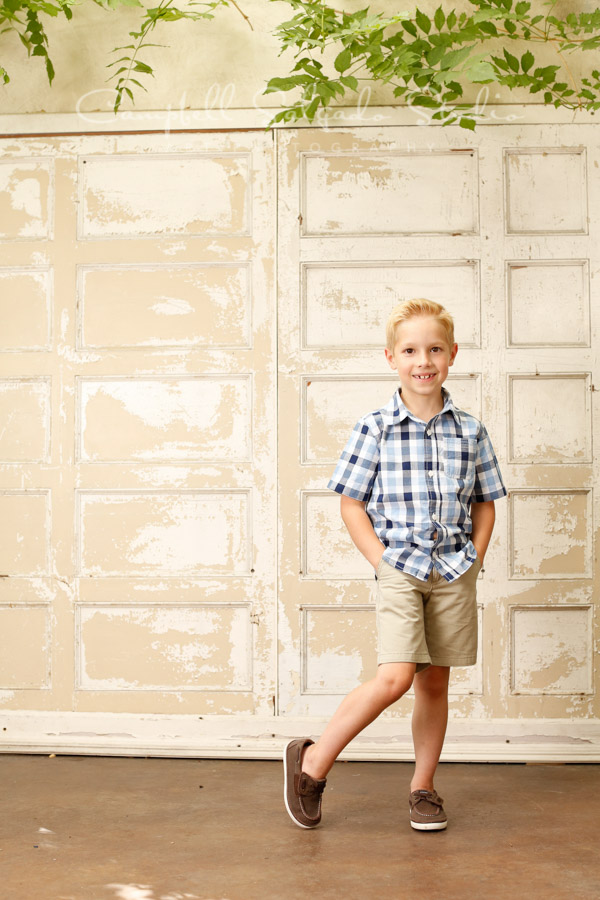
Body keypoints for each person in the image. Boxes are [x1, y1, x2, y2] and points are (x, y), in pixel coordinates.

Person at [283, 297, 507, 831]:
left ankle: (423, 788)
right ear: (391, 357)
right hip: (400, 569)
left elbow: (485, 500)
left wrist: (474, 556)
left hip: (453, 570)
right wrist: (382, 562)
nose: (422, 360)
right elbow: (350, 501)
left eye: (434, 349)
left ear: (452, 355)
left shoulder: (470, 431)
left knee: (435, 683)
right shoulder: (375, 427)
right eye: (410, 350)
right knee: (396, 677)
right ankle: (311, 762)